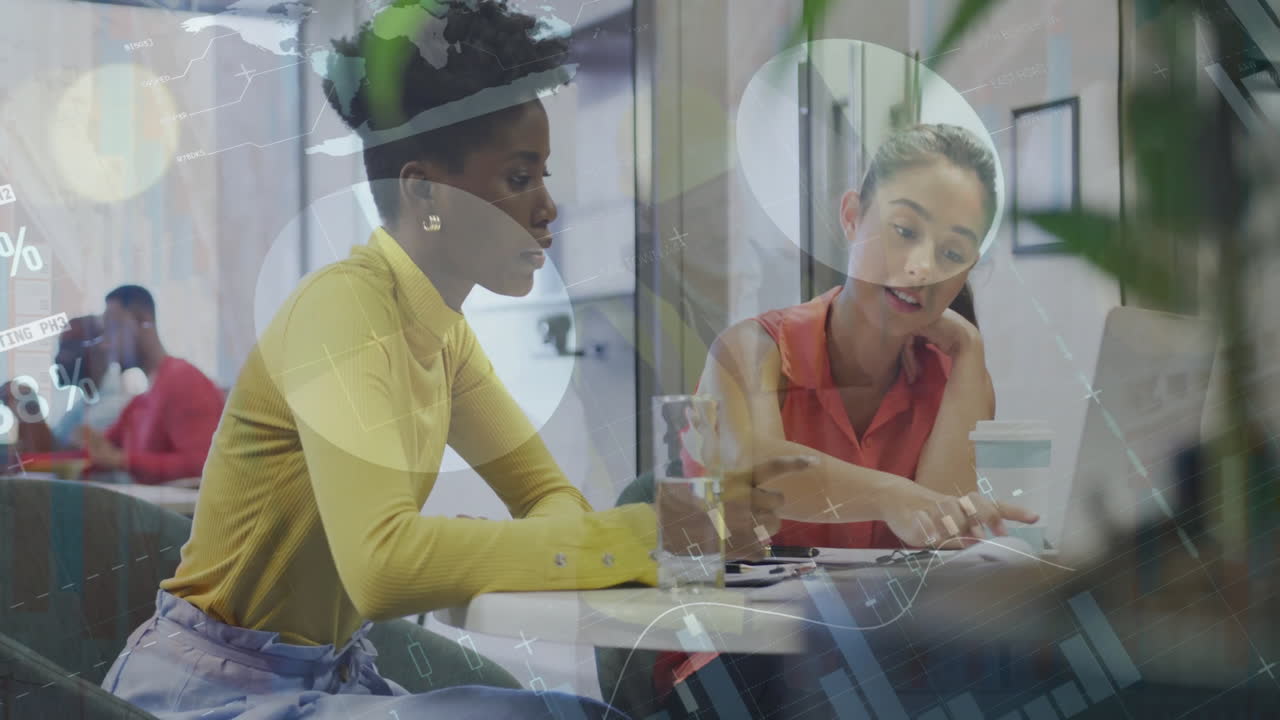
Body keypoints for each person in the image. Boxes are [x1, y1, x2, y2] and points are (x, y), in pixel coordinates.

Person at [102, 3, 807, 718]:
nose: (549, 206)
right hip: (209, 692)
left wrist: (598, 538)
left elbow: (546, 497)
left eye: (543, 175)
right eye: (519, 178)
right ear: (424, 192)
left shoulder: (442, 334)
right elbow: (384, 568)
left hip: (328, 678)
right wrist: (636, 534)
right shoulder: (342, 312)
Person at [656, 124, 1042, 716]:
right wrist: (892, 496)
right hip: (740, 661)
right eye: (904, 230)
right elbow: (758, 473)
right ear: (852, 217)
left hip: (876, 660)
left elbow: (937, 535)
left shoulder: (955, 376)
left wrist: (969, 355)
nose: (921, 267)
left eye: (952, 253)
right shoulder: (750, 349)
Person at [80, 285, 224, 485]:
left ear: (143, 321)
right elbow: (97, 452)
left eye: (113, 329)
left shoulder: (183, 381)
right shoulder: (141, 401)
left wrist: (122, 460)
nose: (106, 344)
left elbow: (203, 464)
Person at [51, 315, 131, 449]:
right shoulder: (85, 403)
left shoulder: (115, 406)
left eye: (67, 348)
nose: (57, 358)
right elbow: (54, 441)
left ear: (98, 351)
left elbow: (64, 454)